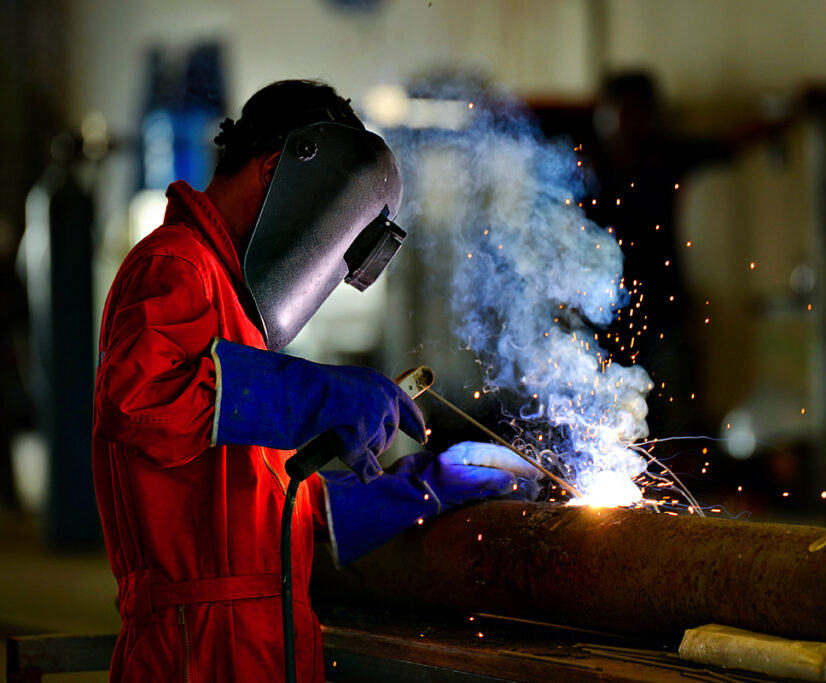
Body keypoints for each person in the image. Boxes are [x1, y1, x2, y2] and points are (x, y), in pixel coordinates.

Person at [92, 79, 536, 682]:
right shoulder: (176, 264)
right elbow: (138, 401)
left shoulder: (236, 304)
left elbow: (275, 507)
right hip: (195, 650)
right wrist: (314, 393)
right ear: (275, 169)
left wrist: (425, 487)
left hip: (265, 640)